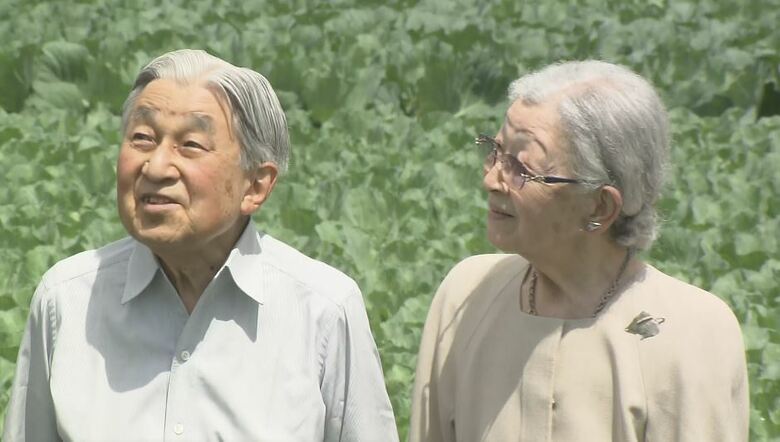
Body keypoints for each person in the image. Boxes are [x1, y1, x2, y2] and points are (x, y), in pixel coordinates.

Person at [4, 49, 398, 441]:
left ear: (256, 185)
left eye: (190, 144)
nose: (156, 166)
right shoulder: (65, 301)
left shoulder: (324, 312)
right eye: (142, 138)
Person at [409, 60, 748, 441]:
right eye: (495, 151)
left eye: (521, 168)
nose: (491, 179)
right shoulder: (467, 295)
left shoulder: (689, 332)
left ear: (600, 207)